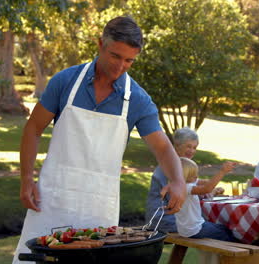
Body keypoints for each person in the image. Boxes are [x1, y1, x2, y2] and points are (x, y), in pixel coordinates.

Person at [13, 16, 186, 263]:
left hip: (98, 206)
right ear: (100, 44)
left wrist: (178, 180)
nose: (120, 66)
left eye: (129, 61)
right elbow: (33, 129)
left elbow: (162, 148)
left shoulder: (138, 99)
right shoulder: (65, 82)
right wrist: (26, 178)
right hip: (52, 199)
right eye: (115, 56)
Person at [145, 127, 225, 233]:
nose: (192, 151)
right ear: (177, 146)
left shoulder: (180, 165)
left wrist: (211, 187)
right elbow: (180, 196)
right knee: (218, 227)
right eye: (188, 146)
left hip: (172, 218)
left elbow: (191, 184)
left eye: (194, 147)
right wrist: (210, 191)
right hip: (164, 220)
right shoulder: (171, 167)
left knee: (213, 224)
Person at [175, 157, 237, 241]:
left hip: (187, 229)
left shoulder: (180, 184)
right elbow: (206, 189)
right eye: (193, 175)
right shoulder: (185, 187)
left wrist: (215, 188)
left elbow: (204, 182)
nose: (196, 176)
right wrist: (222, 172)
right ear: (184, 175)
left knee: (223, 228)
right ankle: (236, 251)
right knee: (228, 235)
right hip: (195, 230)